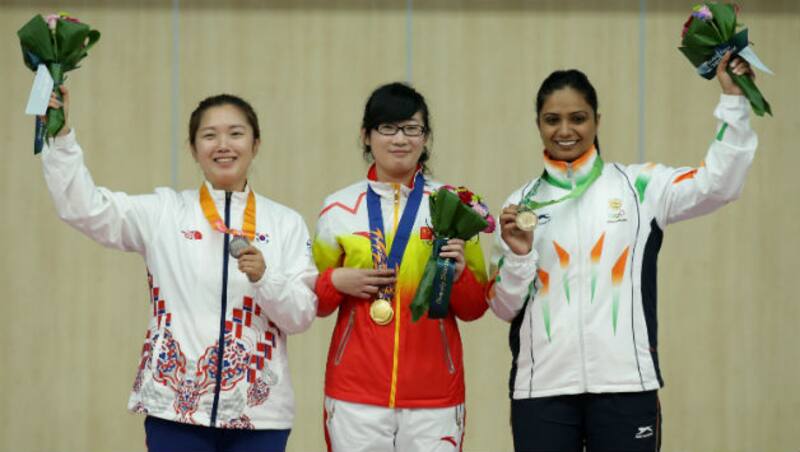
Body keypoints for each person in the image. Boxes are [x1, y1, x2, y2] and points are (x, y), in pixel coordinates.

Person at [488, 52, 757, 451]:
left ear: (597, 120)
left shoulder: (640, 187)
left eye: (578, 118)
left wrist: (735, 101)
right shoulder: (521, 204)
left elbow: (719, 184)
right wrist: (521, 256)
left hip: (626, 385)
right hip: (541, 389)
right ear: (538, 125)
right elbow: (503, 306)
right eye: (552, 119)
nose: (565, 130)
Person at [39, 87, 318, 452]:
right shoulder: (165, 213)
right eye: (209, 135)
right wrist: (59, 138)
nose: (223, 145)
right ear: (193, 148)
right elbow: (85, 208)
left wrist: (266, 278)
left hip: (260, 413)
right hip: (175, 409)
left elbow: (301, 316)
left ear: (256, 144)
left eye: (235, 133)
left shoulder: (286, 223)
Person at [312, 82, 489, 452]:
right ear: (366, 135)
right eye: (387, 128)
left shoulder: (453, 207)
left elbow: (474, 308)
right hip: (355, 392)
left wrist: (457, 278)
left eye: (412, 128)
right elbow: (316, 302)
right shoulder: (339, 209)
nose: (400, 139)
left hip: (435, 393)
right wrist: (337, 280)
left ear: (425, 137)